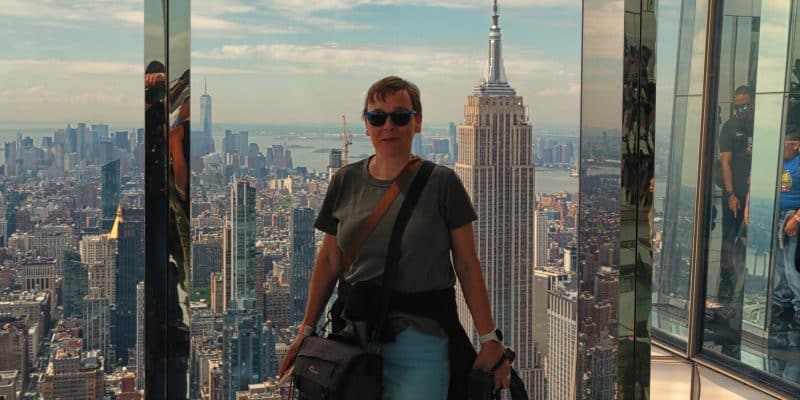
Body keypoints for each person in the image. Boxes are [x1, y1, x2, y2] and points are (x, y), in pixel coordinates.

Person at [279, 76, 510, 399]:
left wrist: (489, 338)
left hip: (421, 343)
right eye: (377, 117)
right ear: (366, 125)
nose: (388, 125)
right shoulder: (345, 181)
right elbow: (330, 261)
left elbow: (467, 264)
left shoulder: (442, 184)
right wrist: (306, 330)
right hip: (354, 341)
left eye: (400, 117)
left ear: (417, 123)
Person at [717, 85, 754, 325]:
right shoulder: (729, 127)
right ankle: (727, 291)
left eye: (745, 106)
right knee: (730, 241)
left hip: (755, 196)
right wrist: (731, 193)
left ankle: (744, 294)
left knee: (749, 246)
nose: (740, 110)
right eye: (737, 106)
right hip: (735, 195)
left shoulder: (759, 125)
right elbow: (725, 162)